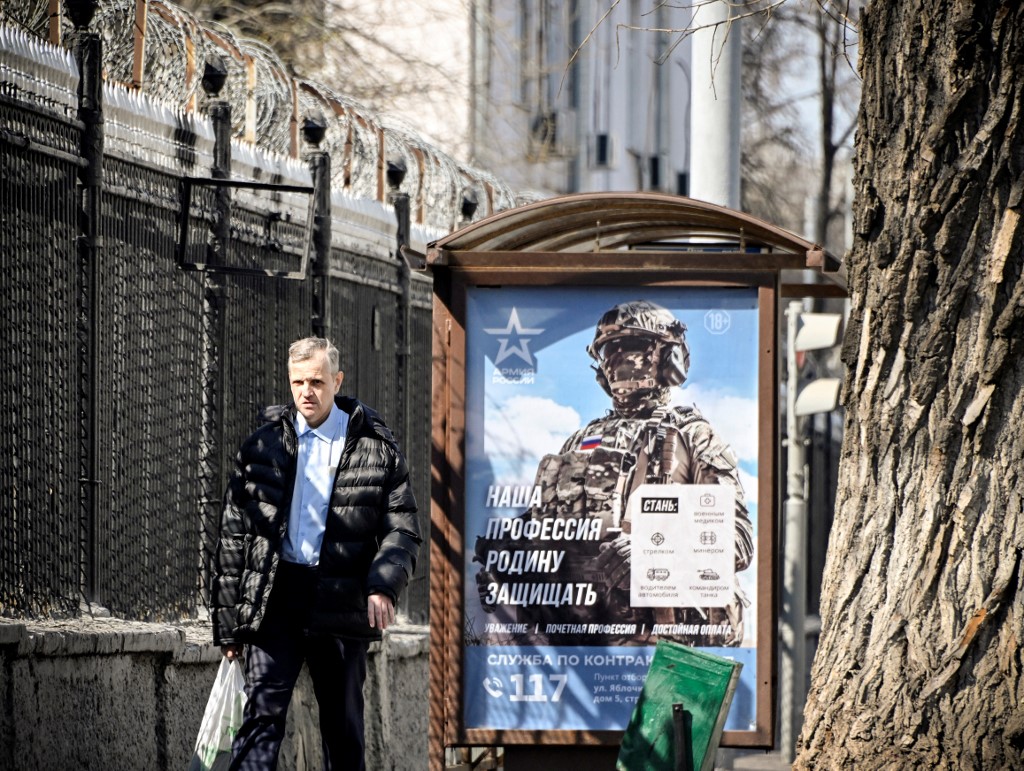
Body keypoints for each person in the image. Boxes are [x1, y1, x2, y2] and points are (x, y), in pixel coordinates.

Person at [474, 300, 754, 646]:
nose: (618, 358)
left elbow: (738, 542)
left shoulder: (694, 436)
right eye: (609, 350)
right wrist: (507, 550)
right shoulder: (580, 441)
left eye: (634, 346)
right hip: (581, 651)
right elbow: (547, 528)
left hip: (664, 649)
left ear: (670, 359)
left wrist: (651, 553)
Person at [211, 336, 421, 771]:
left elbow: (401, 529)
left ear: (337, 380)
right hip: (277, 599)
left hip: (341, 600)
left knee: (343, 730)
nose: (307, 391)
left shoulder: (375, 448)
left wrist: (383, 586)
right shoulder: (262, 448)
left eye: (317, 381)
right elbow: (235, 535)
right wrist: (229, 624)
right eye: (298, 382)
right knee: (260, 720)